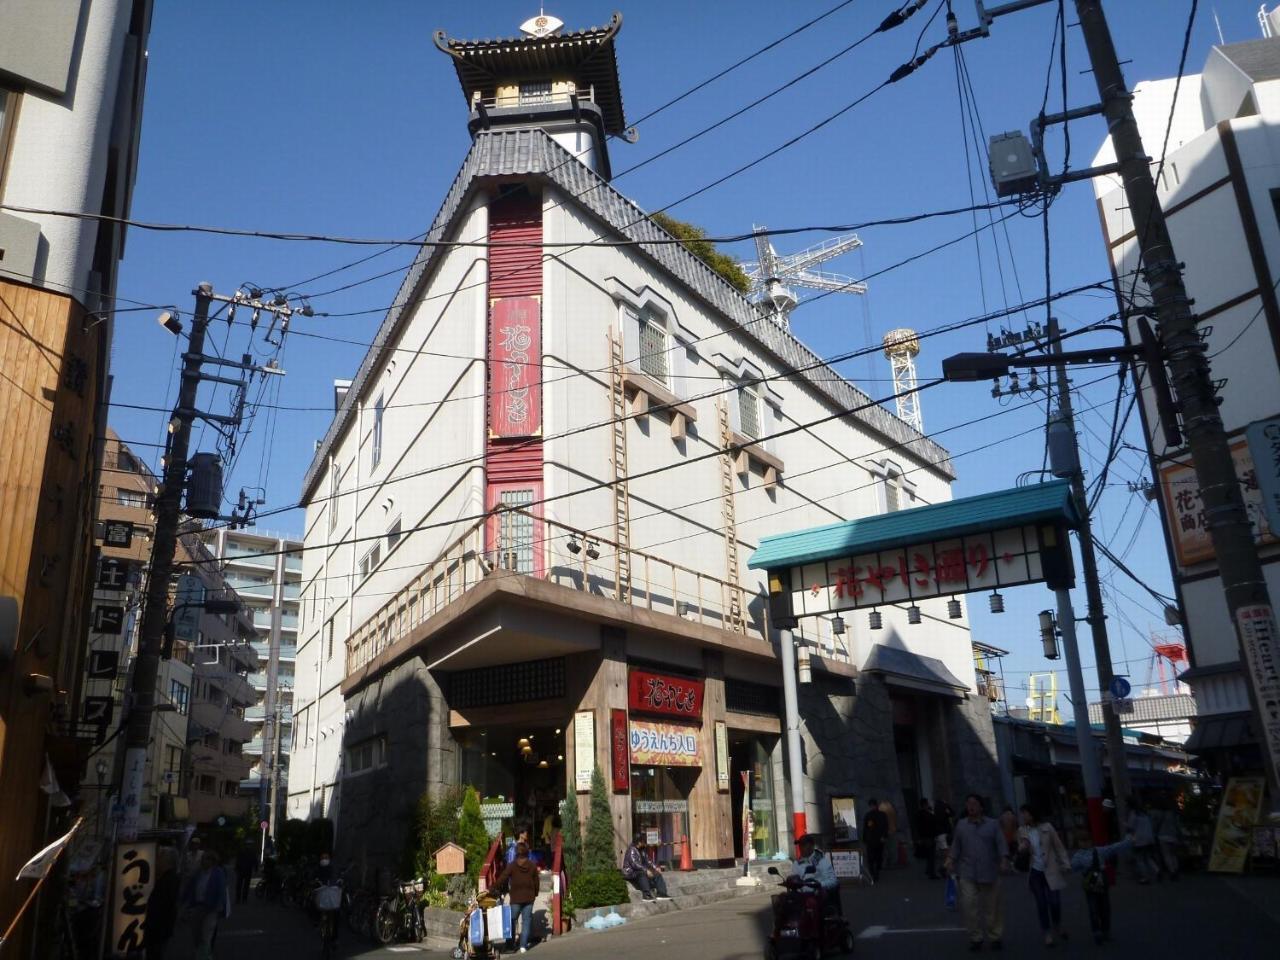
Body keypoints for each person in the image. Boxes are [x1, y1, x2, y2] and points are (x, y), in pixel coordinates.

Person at [945, 794, 1009, 952]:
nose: (970, 806)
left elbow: (1001, 843)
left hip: (989, 871)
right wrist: (950, 860)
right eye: (968, 804)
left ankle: (995, 936)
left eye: (974, 803)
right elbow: (956, 846)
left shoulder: (993, 824)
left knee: (992, 907)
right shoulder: (961, 825)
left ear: (981, 806)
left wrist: (1004, 859)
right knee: (968, 905)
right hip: (967, 872)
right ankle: (975, 937)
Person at [1016, 805, 1071, 947]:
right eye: (1022, 814)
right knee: (1041, 903)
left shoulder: (1047, 827)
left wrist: (1065, 863)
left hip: (1051, 868)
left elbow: (1058, 846)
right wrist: (1022, 847)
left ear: (1033, 814)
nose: (1023, 817)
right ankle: (1047, 932)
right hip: (1035, 871)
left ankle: (1057, 924)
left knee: (1054, 902)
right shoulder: (1022, 830)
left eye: (1025, 814)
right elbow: (1021, 846)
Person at [1069, 838, 1130, 945]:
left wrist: (1127, 842)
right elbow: (1071, 867)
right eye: (1082, 840)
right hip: (1095, 885)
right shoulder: (1080, 855)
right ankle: (1098, 932)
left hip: (1096, 884)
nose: (1084, 843)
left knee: (1104, 909)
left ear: (1090, 841)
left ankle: (1104, 931)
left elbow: (1114, 848)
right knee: (1095, 909)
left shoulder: (1096, 851)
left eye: (1085, 840)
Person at [181, 850, 227, 960]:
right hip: (197, 906)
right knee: (196, 934)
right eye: (203, 859)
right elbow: (190, 888)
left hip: (210, 908)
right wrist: (184, 902)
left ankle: (205, 956)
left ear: (212, 861)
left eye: (206, 859)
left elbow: (221, 891)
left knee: (207, 934)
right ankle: (199, 953)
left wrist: (219, 907)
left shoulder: (218, 873)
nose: (203, 861)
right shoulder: (198, 872)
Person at [496, 840, 540, 954]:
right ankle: (523, 946)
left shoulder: (512, 865)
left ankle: (510, 946)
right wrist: (535, 893)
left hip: (515, 898)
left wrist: (492, 887)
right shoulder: (532, 865)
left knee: (511, 921)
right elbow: (536, 882)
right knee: (526, 922)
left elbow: (503, 877)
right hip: (529, 897)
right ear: (526, 852)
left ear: (516, 852)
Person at [791, 833, 839, 915]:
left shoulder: (821, 861)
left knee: (811, 903)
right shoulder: (797, 863)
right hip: (801, 895)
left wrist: (819, 884)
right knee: (783, 901)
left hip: (816, 895)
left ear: (812, 846)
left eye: (804, 845)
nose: (801, 848)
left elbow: (833, 881)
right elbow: (794, 879)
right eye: (800, 845)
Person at [146, 847, 180, 960]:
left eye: (160, 858)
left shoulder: (169, 880)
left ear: (166, 862)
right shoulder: (168, 878)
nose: (157, 861)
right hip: (160, 928)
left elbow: (165, 905)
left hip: (159, 929)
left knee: (156, 954)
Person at [621, 833, 670, 901]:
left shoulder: (642, 850)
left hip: (639, 870)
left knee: (657, 874)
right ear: (639, 842)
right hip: (630, 872)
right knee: (642, 873)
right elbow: (634, 864)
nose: (645, 843)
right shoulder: (631, 849)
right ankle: (646, 895)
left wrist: (655, 867)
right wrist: (645, 870)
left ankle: (662, 894)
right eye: (643, 841)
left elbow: (648, 860)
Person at [1125, 799, 1159, 884]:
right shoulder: (1145, 813)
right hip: (1149, 838)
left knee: (1139, 859)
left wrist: (1125, 824)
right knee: (1148, 857)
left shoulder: (1133, 814)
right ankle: (1157, 871)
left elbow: (1130, 827)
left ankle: (1145, 877)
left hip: (1139, 839)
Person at [1152, 797, 1182, 881]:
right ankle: (1175, 869)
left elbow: (1156, 825)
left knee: (1166, 855)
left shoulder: (1161, 814)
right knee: (1173, 855)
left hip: (1163, 835)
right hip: (1173, 835)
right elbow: (1178, 826)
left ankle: (1172, 871)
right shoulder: (1174, 814)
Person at [862, 799, 888, 882]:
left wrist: (884, 836)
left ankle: (875, 872)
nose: (872, 807)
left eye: (873, 805)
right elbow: (866, 828)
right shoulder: (869, 815)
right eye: (871, 806)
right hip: (872, 839)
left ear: (876, 805)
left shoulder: (881, 815)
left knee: (877, 857)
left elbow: (885, 826)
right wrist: (865, 838)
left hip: (877, 839)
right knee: (873, 857)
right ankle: (873, 873)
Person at [915, 799, 939, 879]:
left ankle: (929, 870)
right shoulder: (926, 814)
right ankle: (931, 873)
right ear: (925, 805)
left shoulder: (919, 814)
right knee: (931, 855)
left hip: (925, 836)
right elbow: (933, 821)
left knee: (929, 855)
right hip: (929, 836)